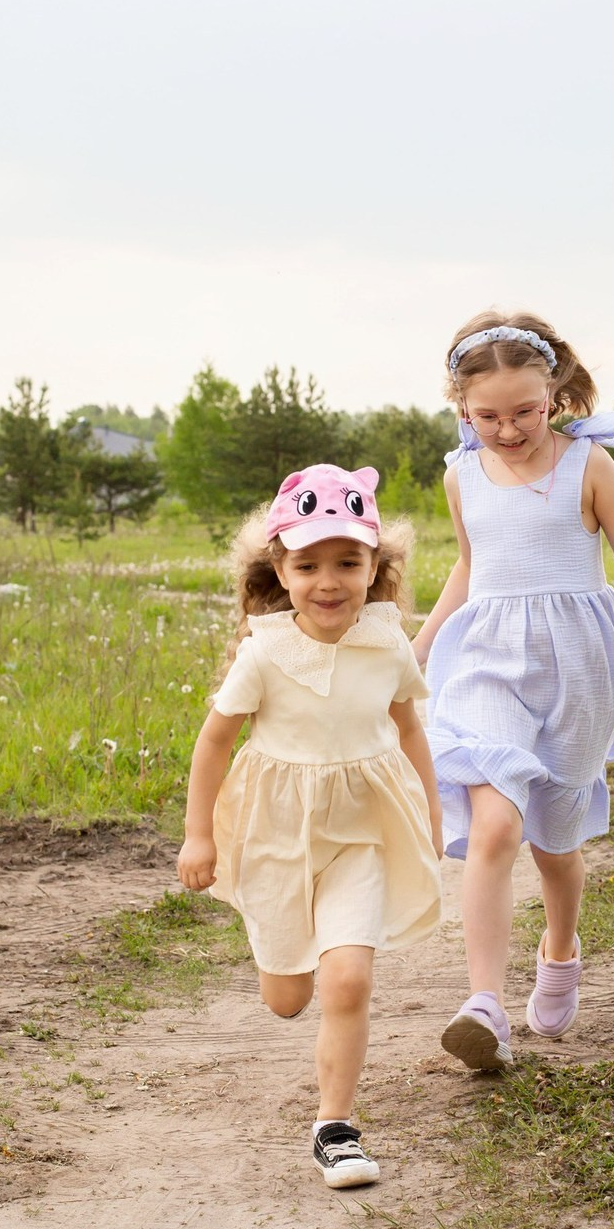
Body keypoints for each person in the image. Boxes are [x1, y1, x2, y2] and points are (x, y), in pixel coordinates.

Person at [411, 311, 614, 1071]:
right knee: (495, 822)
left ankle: (560, 949)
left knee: (555, 844)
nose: (507, 428)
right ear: (461, 407)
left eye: (524, 411)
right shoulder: (461, 475)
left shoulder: (588, 466)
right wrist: (421, 648)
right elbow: (469, 567)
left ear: (553, 393)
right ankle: (484, 1006)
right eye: (486, 415)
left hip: (578, 667)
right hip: (487, 660)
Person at [177, 463, 443, 1188]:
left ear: (374, 567)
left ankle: (336, 1126)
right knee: (287, 997)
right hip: (274, 837)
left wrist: (430, 807)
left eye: (348, 563)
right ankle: (283, 962)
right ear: (281, 570)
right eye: (310, 565)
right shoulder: (266, 654)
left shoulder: (386, 644)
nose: (330, 581)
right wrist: (199, 834)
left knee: (349, 979)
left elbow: (410, 730)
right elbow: (214, 742)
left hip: (361, 832)